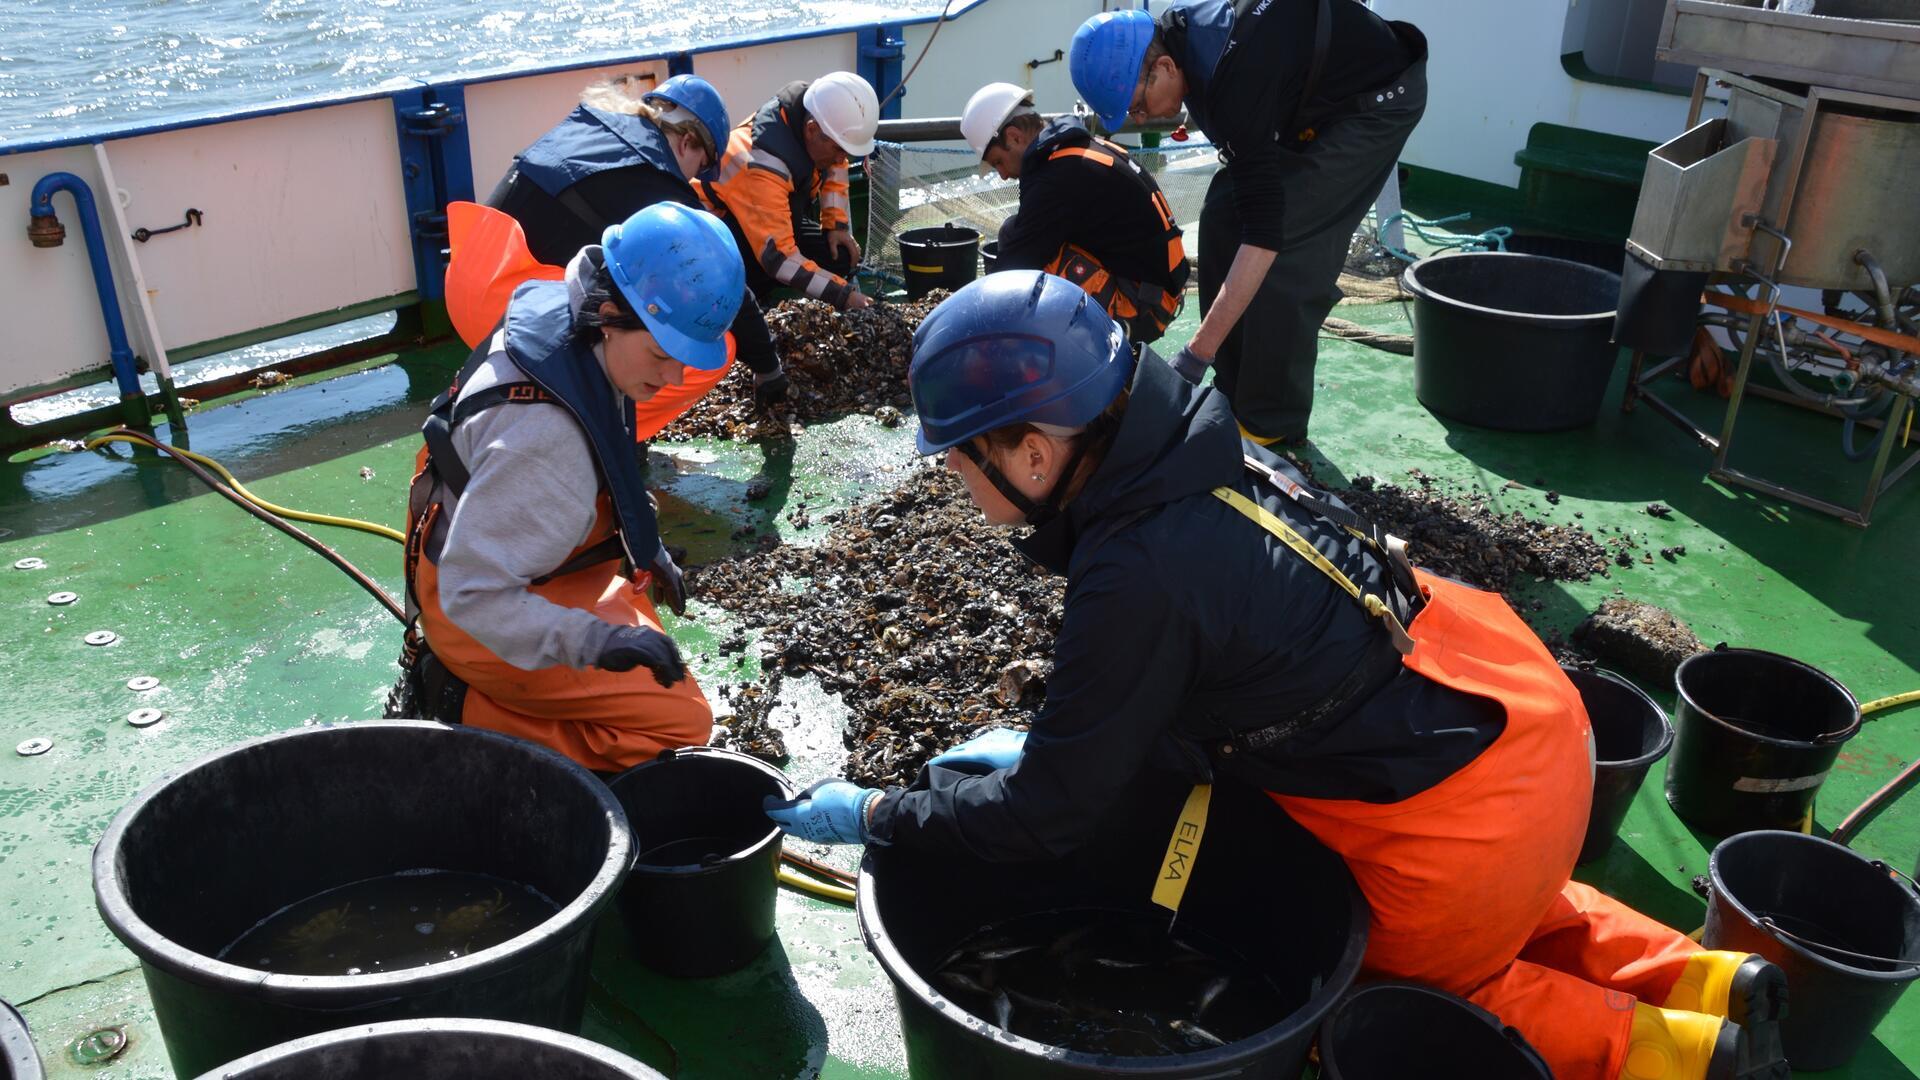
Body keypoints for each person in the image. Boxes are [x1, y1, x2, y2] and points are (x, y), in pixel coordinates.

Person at [764, 272, 1791, 1080]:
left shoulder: (1138, 570)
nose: (950, 479)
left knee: (1371, 1001)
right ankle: (1712, 978)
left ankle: (1688, 1055)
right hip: (1522, 720)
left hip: (1460, 819)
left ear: (1032, 453)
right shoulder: (1194, 435)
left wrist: (880, 814)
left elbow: (1044, 819)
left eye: (956, 459)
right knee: (1528, 905)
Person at [397, 202, 743, 773]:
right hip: (473, 610)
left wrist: (645, 545)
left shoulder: (570, 312)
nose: (675, 379)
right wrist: (596, 644)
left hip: (498, 538)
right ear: (609, 313)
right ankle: (471, 711)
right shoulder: (543, 442)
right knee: (680, 726)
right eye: (662, 354)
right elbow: (474, 596)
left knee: (647, 642)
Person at [1068, 1, 1426, 445]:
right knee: (1222, 212)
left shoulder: (1233, 75)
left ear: (1162, 67)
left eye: (1137, 107)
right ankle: (1233, 389)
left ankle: (1270, 422)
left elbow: (1265, 235)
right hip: (1313, 99)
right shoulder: (1182, 41)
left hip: (1375, 102)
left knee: (1289, 247)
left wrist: (1193, 354)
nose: (1140, 120)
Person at [450, 73, 791, 416]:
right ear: (687, 142)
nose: (691, 181)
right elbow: (723, 288)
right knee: (713, 346)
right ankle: (607, 423)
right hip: (503, 306)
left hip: (465, 278)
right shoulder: (655, 177)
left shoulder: (594, 126)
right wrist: (768, 369)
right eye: (699, 168)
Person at [961, 82, 1189, 344]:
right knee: (1023, 235)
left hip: (1140, 308)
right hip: (1157, 292)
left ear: (1014, 137)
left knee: (1019, 256)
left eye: (998, 162)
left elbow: (1013, 267)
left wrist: (971, 324)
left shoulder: (1057, 177)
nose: (1002, 175)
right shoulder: (1079, 150)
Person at [695, 71, 879, 312]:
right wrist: (843, 295)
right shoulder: (762, 165)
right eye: (838, 148)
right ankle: (753, 302)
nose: (841, 158)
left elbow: (837, 163)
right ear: (812, 129)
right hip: (714, 240)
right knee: (764, 270)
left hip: (771, 215)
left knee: (838, 254)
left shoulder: (813, 117)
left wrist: (836, 226)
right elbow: (778, 259)